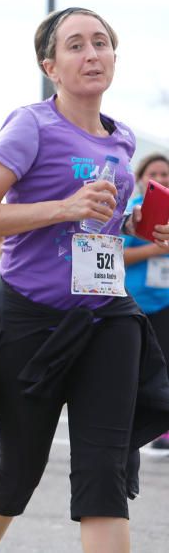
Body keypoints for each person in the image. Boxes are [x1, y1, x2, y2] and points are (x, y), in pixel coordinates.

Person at [0, 8, 169, 553]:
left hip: (106, 315)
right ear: (51, 65)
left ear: (115, 58)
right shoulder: (30, 124)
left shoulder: (122, 139)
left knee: (103, 472)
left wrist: (138, 226)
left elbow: (98, 223)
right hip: (29, 316)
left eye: (102, 43)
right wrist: (62, 207)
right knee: (18, 471)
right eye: (75, 45)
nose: (92, 54)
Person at [122, 153, 169, 449]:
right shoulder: (132, 211)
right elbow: (118, 254)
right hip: (135, 303)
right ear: (140, 178)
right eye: (154, 173)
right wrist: (154, 250)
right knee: (133, 368)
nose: (161, 179)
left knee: (165, 365)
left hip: (165, 302)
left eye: (165, 174)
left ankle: (162, 429)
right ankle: (127, 423)